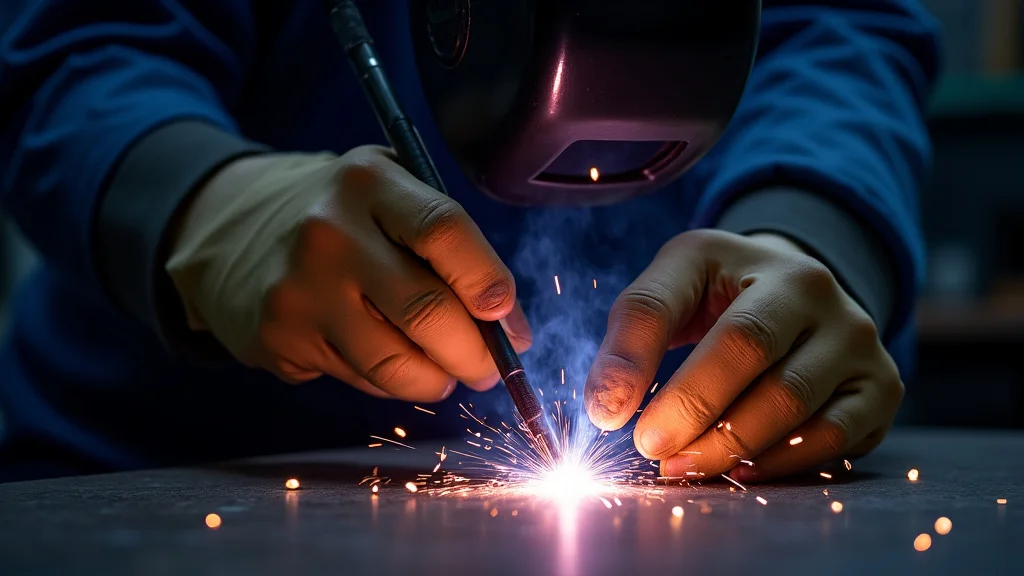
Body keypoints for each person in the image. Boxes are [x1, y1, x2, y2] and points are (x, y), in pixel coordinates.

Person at [0, 0, 940, 483]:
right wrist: (203, 205)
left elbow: (840, 30)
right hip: (158, 465)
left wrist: (812, 239)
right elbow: (79, 49)